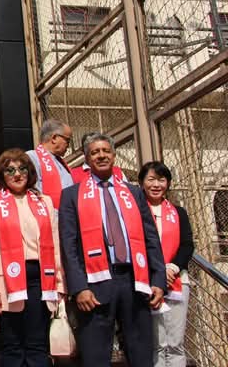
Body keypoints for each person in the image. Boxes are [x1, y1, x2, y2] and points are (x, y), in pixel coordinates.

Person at [59, 133, 166, 366]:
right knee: (96, 357)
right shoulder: (71, 196)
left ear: (114, 156)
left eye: (106, 151)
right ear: (87, 159)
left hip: (135, 282)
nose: (101, 156)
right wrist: (79, 288)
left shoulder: (134, 193)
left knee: (141, 355)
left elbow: (151, 238)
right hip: (94, 285)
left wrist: (158, 279)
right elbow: (68, 246)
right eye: (95, 152)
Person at [0, 148, 65, 366]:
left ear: (30, 172)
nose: (17, 174)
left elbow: (55, 245)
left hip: (40, 280)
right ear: (1, 175)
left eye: (22, 169)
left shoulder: (44, 202)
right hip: (6, 283)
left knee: (38, 345)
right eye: (10, 170)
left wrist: (60, 284)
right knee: (12, 346)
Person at [139, 161, 194, 367]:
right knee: (157, 344)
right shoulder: (135, 211)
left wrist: (171, 268)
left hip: (177, 281)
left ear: (168, 184)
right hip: (147, 281)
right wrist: (157, 271)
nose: (156, 185)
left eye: (161, 180)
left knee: (175, 343)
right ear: (142, 183)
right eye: (151, 179)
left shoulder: (179, 212)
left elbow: (187, 244)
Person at [26, 119, 74, 210]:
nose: (68, 145)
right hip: (45, 212)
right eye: (67, 140)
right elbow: (31, 191)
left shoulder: (61, 162)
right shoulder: (31, 157)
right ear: (54, 138)